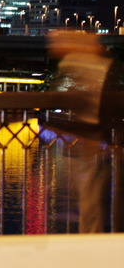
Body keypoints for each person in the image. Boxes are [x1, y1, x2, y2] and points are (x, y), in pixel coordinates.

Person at [47, 30, 120, 233]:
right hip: (91, 138)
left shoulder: (76, 63)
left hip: (90, 139)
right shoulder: (98, 64)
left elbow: (65, 96)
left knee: (90, 200)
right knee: (90, 199)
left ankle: (90, 243)